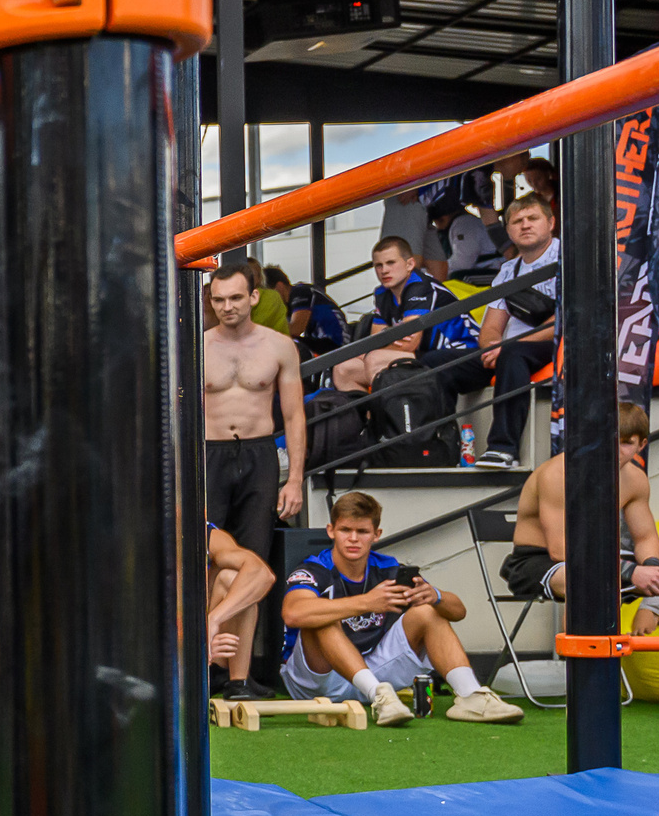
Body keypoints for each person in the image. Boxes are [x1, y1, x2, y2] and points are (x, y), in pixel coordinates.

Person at [279, 491, 522, 725]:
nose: (353, 538)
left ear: (376, 534)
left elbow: (459, 612)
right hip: (318, 680)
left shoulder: (389, 568)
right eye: (345, 530)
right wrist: (367, 602)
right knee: (321, 616)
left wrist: (434, 595)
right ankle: (379, 697)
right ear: (331, 531)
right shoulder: (315, 568)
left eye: (362, 531)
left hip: (375, 673)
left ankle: (471, 696)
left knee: (427, 610)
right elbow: (293, 614)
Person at [499, 403, 659, 622]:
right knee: (588, 582)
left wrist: (652, 568)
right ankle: (579, 657)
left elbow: (645, 538)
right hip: (538, 560)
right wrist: (630, 572)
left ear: (641, 445)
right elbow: (561, 550)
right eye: (611, 440)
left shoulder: (635, 479)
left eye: (627, 443)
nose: (616, 450)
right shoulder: (558, 474)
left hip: (603, 558)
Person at [201, 265, 304, 600]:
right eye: (219, 300)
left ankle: (241, 654)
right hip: (208, 455)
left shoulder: (279, 346)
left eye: (235, 298)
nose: (227, 306)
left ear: (254, 297)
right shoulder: (196, 347)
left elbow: (293, 415)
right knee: (205, 558)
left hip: (259, 456)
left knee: (254, 562)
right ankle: (207, 651)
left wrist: (295, 480)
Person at [329, 236, 482, 396]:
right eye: (378, 265)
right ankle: (367, 417)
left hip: (459, 355)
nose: (384, 270)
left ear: (409, 264)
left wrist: (371, 352)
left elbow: (409, 342)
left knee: (375, 359)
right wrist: (370, 351)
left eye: (391, 263)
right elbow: (375, 339)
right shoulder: (382, 293)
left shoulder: (420, 286)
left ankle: (390, 417)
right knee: (344, 369)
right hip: (426, 356)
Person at [472, 193, 560, 468]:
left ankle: (502, 449)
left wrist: (507, 345)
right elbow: (489, 328)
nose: (525, 225)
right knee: (442, 364)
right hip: (510, 350)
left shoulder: (569, 258)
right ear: (508, 231)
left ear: (551, 222)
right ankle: (427, 447)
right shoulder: (509, 269)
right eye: (517, 221)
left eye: (532, 218)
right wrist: (492, 345)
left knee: (513, 353)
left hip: (554, 343)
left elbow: (565, 320)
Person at [205, 523, 276, 700]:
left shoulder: (206, 534)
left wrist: (213, 620)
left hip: (211, 652)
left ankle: (237, 683)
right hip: (168, 654)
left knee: (234, 579)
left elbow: (262, 574)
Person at [276, 266, 347, 359]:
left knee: (288, 343)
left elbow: (296, 329)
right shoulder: (286, 305)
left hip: (336, 343)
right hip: (320, 342)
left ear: (279, 286)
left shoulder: (300, 292)